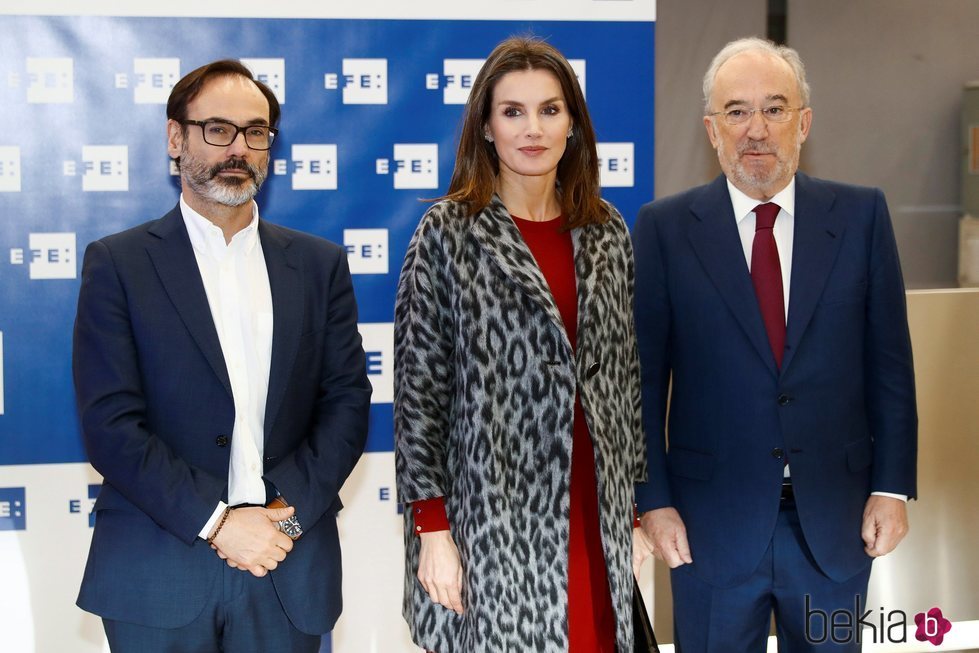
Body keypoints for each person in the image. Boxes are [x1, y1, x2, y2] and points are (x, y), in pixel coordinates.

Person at [72, 59, 371, 652]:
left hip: (287, 564)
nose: (238, 147)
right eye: (217, 129)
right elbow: (110, 427)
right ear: (175, 137)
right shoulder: (119, 264)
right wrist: (218, 522)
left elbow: (346, 406)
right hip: (159, 569)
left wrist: (282, 519)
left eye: (255, 132)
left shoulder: (317, 266)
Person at [632, 37, 917, 651]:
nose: (754, 129)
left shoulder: (862, 216)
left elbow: (889, 365)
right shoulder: (663, 229)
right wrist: (652, 501)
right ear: (712, 130)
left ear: (804, 122)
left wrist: (891, 488)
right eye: (736, 111)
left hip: (836, 528)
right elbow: (643, 382)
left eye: (775, 107)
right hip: (709, 531)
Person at [394, 36, 646, 653]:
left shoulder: (606, 230)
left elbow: (624, 382)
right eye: (512, 111)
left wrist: (635, 511)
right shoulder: (447, 233)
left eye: (550, 110)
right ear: (485, 126)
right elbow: (419, 394)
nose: (532, 128)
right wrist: (432, 528)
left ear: (573, 126)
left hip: (595, 508)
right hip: (493, 517)